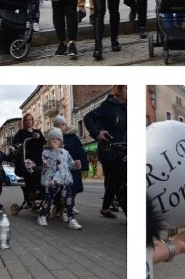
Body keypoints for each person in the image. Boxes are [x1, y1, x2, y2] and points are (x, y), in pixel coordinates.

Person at [84, 85, 127, 219]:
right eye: (127, 88)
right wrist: (97, 134)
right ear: (118, 90)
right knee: (118, 181)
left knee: (112, 181)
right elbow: (87, 117)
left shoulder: (125, 108)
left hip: (122, 149)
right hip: (109, 149)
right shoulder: (107, 106)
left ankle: (105, 208)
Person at [34, 128, 82, 230]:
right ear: (48, 141)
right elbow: (46, 162)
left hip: (64, 180)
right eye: (52, 139)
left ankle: (71, 219)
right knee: (49, 200)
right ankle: (42, 216)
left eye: (58, 139)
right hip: (52, 181)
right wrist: (52, 155)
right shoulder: (46, 152)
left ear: (61, 141)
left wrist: (76, 165)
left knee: (69, 200)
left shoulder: (65, 152)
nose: (55, 141)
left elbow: (71, 164)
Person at [53, 115, 88, 219]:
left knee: (74, 189)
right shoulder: (53, 139)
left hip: (73, 168)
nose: (61, 127)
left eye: (62, 124)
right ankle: (63, 208)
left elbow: (80, 151)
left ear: (66, 125)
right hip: (60, 169)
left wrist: (84, 166)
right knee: (62, 190)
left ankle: (71, 205)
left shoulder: (73, 137)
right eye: (58, 125)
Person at [12, 113, 46, 209]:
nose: (28, 122)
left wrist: (39, 137)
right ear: (24, 122)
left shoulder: (37, 131)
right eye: (26, 120)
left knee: (41, 175)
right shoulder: (21, 133)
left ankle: (41, 194)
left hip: (38, 158)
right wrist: (18, 146)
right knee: (29, 176)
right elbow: (14, 142)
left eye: (30, 120)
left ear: (32, 121)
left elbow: (44, 142)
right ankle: (30, 197)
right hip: (27, 159)